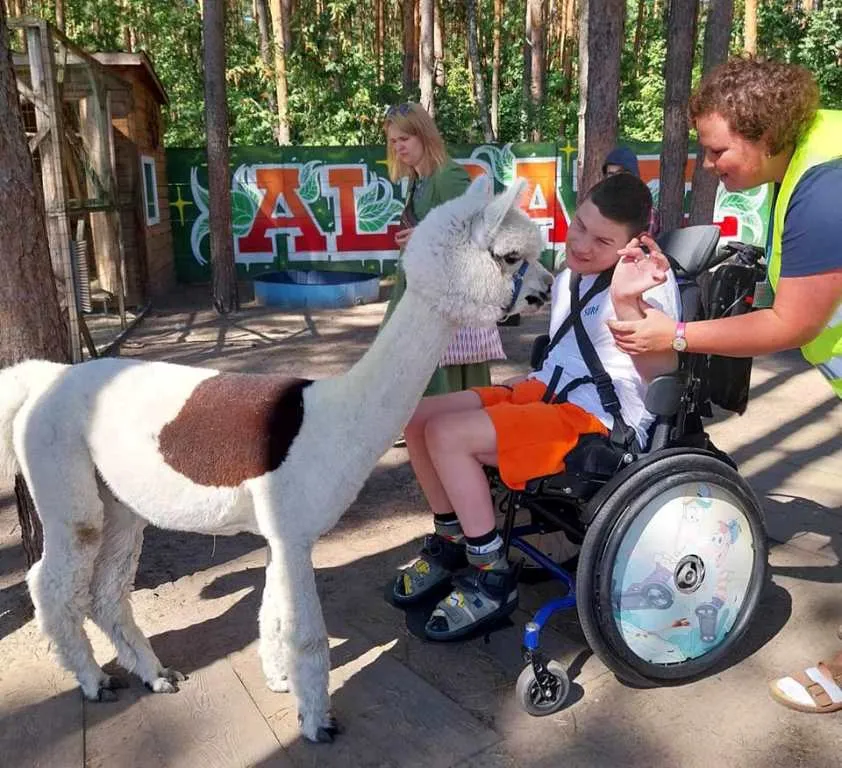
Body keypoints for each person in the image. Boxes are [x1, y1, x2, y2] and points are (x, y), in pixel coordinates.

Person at [605, 58, 842, 714]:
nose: (709, 165)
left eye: (717, 150)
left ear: (766, 133)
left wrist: (676, 335)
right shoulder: (803, 159)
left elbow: (792, 321)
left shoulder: (825, 188)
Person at [390, 173, 682, 640]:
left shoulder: (647, 285)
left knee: (447, 436)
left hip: (598, 422)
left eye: (602, 240)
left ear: (633, 243)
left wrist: (628, 301)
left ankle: (491, 573)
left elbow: (662, 372)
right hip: (544, 392)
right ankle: (451, 539)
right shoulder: (568, 278)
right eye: (580, 226)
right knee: (417, 416)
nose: (581, 244)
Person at [382, 102, 506, 396]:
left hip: (446, 301)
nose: (398, 147)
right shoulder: (419, 179)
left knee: (448, 386)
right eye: (393, 141)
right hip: (424, 293)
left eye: (405, 138)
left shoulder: (447, 176)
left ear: (424, 135)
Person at [603, 145, 661, 236]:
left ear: (633, 176)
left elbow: (642, 243)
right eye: (611, 174)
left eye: (620, 173)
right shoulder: (600, 208)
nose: (615, 179)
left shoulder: (647, 213)